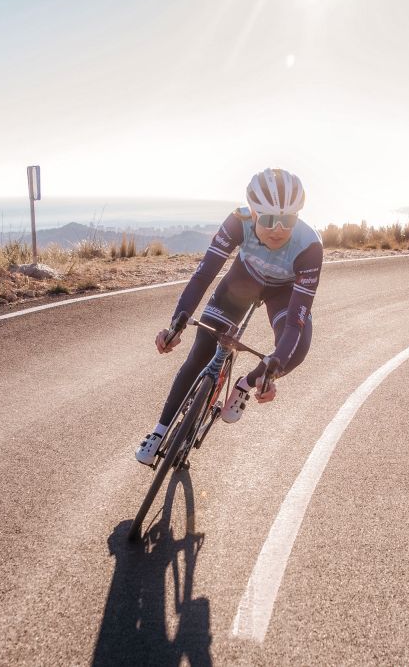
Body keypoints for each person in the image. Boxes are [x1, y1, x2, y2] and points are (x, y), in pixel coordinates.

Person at [136, 168, 323, 466]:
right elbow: (203, 275)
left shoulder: (309, 247)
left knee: (296, 349)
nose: (278, 228)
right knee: (201, 350)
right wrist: (177, 324)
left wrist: (270, 373)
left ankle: (243, 386)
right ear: (253, 213)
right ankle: (159, 431)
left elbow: (294, 322)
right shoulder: (238, 222)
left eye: (287, 220)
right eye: (269, 219)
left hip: (283, 292)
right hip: (243, 280)